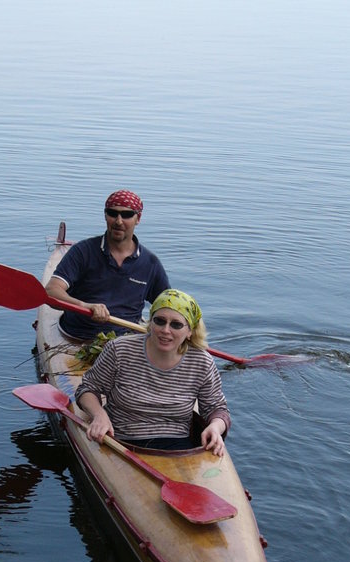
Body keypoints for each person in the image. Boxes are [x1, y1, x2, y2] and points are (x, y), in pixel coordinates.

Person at [75, 289, 231, 456]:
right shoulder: (119, 349)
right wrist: (99, 415)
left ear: (190, 331)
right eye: (159, 321)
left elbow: (217, 409)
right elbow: (87, 389)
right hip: (118, 439)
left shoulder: (202, 362)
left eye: (176, 324)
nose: (165, 330)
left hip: (178, 446)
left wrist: (215, 427)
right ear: (151, 323)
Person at [45, 190, 170, 340]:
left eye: (126, 215)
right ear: (105, 216)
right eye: (112, 213)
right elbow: (51, 292)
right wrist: (85, 306)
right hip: (79, 337)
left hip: (128, 341)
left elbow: (168, 307)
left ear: (138, 218)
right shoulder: (82, 252)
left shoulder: (150, 263)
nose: (118, 221)